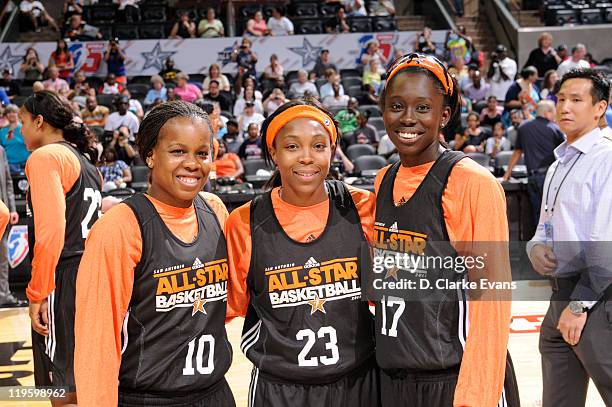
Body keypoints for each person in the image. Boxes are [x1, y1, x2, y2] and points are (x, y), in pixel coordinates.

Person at [373, 52, 519, 407]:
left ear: (445, 115)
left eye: (423, 108)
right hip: (396, 378)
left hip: (456, 380)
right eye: (397, 106)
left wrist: (477, 396)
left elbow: (491, 300)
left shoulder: (471, 182)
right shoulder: (384, 179)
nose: (408, 118)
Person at [75, 100, 236, 407]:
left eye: (202, 153)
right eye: (178, 152)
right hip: (147, 398)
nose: (193, 163)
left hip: (214, 393)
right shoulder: (120, 227)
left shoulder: (215, 210)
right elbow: (96, 340)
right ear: (150, 155)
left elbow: (225, 307)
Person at [225, 99, 378, 406]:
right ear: (274, 153)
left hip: (359, 382)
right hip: (280, 389)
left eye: (318, 146)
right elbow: (227, 308)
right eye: (292, 147)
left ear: (332, 151)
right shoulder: (245, 221)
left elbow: (388, 292)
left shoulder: (361, 206)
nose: (307, 158)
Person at [526, 69, 612, 407]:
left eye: (576, 100)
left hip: (597, 297)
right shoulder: (559, 162)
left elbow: (605, 239)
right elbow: (545, 225)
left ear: (599, 108)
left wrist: (580, 304)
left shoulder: (606, 158)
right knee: (558, 396)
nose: (565, 106)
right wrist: (535, 248)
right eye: (561, 98)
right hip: (560, 293)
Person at [19, 90, 102, 406]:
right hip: (92, 277)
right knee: (88, 383)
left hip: (64, 279)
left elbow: (51, 233)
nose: (21, 130)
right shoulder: (84, 161)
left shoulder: (46, 157)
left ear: (39, 122)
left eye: (24, 122)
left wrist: (37, 293)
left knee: (62, 391)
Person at [503, 101, 564, 228]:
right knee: (553, 213)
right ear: (547, 112)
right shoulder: (555, 128)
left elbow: (517, 152)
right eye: (553, 111)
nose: (555, 115)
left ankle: (541, 245)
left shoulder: (523, 128)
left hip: (532, 178)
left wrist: (507, 174)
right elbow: (566, 153)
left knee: (538, 214)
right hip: (550, 177)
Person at [0, 137, 21, 308]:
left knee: (2, 256)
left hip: (2, 213)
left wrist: (12, 208)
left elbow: (7, 181)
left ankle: (3, 295)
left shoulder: (1, 150)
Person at [0, 104, 30, 173]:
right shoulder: (2, 131)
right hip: (10, 165)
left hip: (26, 163)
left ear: (18, 114)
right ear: (6, 115)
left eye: (13, 112)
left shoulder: (25, 128)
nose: (11, 114)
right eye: (8, 112)